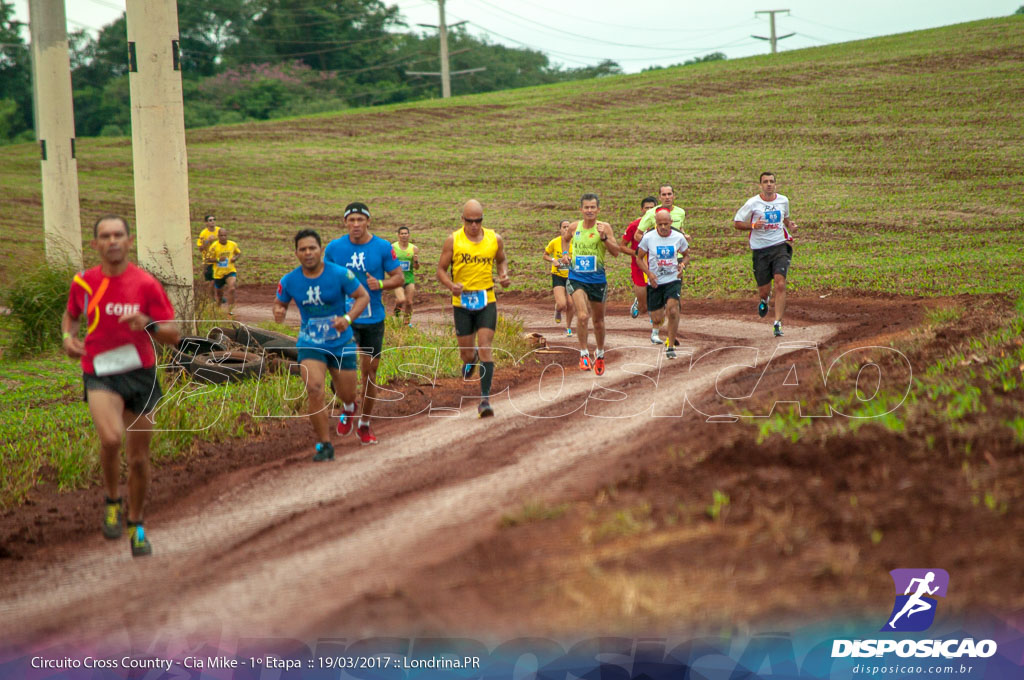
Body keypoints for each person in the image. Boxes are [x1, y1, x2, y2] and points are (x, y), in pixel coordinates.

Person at [61, 214, 180, 557]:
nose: (112, 241)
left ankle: (137, 523)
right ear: (95, 244)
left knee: (140, 459)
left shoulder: (145, 284)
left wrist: (149, 324)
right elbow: (71, 314)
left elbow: (174, 334)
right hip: (100, 371)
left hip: (141, 373)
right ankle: (112, 499)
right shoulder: (83, 282)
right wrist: (68, 337)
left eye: (118, 235)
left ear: (130, 242)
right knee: (111, 438)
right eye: (105, 236)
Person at [274, 229, 370, 461]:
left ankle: (349, 406)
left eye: (312, 248)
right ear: (296, 253)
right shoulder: (289, 281)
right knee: (315, 389)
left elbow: (362, 296)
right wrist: (279, 311)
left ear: (320, 250)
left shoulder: (340, 274)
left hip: (341, 342)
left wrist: (347, 319)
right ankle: (324, 445)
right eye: (303, 249)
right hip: (310, 343)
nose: (308, 253)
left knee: (347, 394)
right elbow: (280, 303)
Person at [324, 202, 404, 444]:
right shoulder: (334, 248)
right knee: (338, 370)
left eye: (360, 220)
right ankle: (348, 405)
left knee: (370, 373)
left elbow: (399, 277)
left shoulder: (382, 247)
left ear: (368, 221)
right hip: (343, 318)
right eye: (352, 220)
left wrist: (379, 285)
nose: (356, 224)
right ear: (345, 222)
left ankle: (365, 425)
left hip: (373, 319)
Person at [436, 199, 511, 417]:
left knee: (486, 346)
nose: (474, 225)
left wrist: (503, 275)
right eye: (470, 221)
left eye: (478, 221)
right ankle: (472, 358)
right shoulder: (453, 240)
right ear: (463, 220)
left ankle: (485, 400)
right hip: (462, 303)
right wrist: (451, 285)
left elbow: (502, 260)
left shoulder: (494, 239)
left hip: (487, 299)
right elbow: (440, 270)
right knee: (467, 355)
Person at [733, 171, 798, 337]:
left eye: (771, 181)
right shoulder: (753, 203)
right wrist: (753, 225)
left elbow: (786, 218)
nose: (769, 184)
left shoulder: (783, 200)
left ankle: (777, 323)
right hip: (760, 250)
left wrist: (790, 225)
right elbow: (737, 223)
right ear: (760, 185)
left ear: (775, 184)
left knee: (780, 282)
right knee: (764, 290)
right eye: (765, 182)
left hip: (779, 246)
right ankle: (764, 300)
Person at [563, 193, 620, 376]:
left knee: (598, 322)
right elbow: (565, 238)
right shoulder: (574, 227)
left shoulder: (605, 228)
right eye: (586, 207)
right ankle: (583, 354)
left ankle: (601, 353)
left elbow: (616, 252)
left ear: (598, 209)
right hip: (577, 277)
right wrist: (565, 254)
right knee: (582, 315)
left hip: (597, 280)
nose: (589, 210)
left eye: (592, 207)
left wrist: (603, 238)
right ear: (581, 209)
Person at [636, 208, 690, 359]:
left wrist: (682, 265)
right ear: (656, 224)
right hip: (655, 282)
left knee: (673, 310)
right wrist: (649, 273)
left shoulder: (678, 237)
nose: (664, 227)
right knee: (657, 318)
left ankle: (670, 345)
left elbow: (686, 255)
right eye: (660, 224)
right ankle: (663, 325)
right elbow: (639, 258)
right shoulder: (648, 238)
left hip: (673, 279)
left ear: (671, 222)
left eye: (666, 224)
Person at [620, 195, 658, 334]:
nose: (649, 210)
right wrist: (635, 253)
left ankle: (655, 324)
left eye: (652, 208)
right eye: (646, 208)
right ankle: (639, 302)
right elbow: (622, 246)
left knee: (658, 297)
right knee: (643, 307)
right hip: (639, 266)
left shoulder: (661, 225)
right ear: (642, 210)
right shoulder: (634, 225)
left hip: (657, 266)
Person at [542, 219, 575, 337]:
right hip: (558, 275)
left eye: (568, 227)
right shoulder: (554, 242)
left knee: (571, 303)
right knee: (562, 304)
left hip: (571, 276)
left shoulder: (575, 242)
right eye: (564, 227)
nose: (566, 229)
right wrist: (553, 260)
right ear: (560, 229)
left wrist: (571, 260)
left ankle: (569, 327)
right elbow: (545, 255)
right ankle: (557, 310)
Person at [207, 228, 241, 315]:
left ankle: (230, 310)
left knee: (232, 288)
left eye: (225, 235)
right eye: (221, 235)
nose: (223, 237)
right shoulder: (214, 246)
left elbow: (238, 253)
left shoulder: (232, 244)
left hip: (230, 271)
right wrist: (218, 259)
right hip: (218, 273)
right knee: (219, 295)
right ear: (218, 236)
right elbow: (208, 259)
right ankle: (217, 310)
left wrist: (235, 258)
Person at [391, 226, 419, 326]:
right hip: (397, 279)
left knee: (409, 302)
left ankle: (406, 323)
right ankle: (395, 317)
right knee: (401, 300)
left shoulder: (414, 249)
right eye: (402, 233)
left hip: (409, 279)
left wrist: (416, 260)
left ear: (409, 235)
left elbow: (416, 268)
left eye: (405, 233)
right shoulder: (393, 247)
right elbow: (389, 262)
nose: (404, 235)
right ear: (398, 235)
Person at [195, 214, 220, 303]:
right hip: (208, 260)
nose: (212, 221)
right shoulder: (203, 233)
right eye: (210, 220)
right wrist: (207, 241)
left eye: (214, 219)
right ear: (206, 223)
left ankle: (218, 296)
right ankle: (211, 298)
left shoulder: (219, 230)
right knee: (211, 281)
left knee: (219, 279)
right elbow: (200, 248)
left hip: (218, 259)